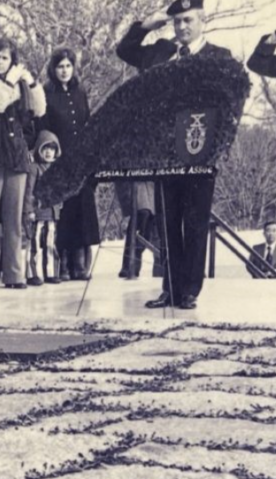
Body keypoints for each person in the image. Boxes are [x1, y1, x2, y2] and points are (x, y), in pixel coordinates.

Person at [116, 0, 233, 310]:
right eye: (177, 21)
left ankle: (189, 290)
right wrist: (147, 26)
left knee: (195, 222)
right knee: (168, 222)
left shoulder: (219, 57)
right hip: (165, 153)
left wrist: (219, 147)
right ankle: (169, 287)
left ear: (202, 20)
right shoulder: (161, 52)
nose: (182, 27)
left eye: (188, 20)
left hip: (201, 153)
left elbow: (228, 105)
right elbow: (125, 51)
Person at [0, 37, 45, 291]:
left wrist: (31, 83)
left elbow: (36, 112)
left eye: (5, 57)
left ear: (11, 60)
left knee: (15, 219)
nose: (0, 61)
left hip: (16, 159)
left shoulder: (21, 84)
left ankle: (15, 275)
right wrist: (11, 81)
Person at [42, 47, 99, 281]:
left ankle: (79, 262)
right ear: (53, 69)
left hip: (81, 159)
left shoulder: (80, 91)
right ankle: (62, 263)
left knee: (81, 210)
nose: (64, 71)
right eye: (60, 66)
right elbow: (44, 126)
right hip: (59, 160)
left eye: (67, 66)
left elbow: (86, 122)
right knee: (62, 212)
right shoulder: (48, 93)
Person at [23, 130, 63, 286]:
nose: (48, 152)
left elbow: (60, 191)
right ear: (39, 149)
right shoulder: (35, 168)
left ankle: (51, 273)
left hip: (52, 214)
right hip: (38, 214)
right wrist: (29, 210)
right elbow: (28, 191)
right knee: (35, 244)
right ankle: (33, 274)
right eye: (45, 148)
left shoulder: (57, 169)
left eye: (52, 149)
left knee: (50, 244)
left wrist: (59, 206)